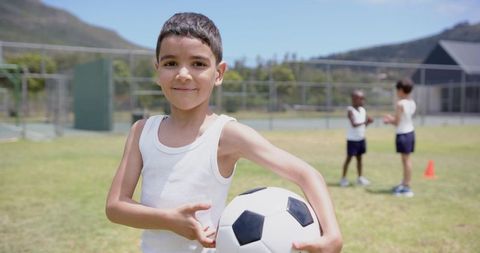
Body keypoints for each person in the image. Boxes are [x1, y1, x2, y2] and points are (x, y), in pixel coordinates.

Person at [105, 12, 342, 253]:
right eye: (170, 63)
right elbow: (115, 206)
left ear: (218, 73)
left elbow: (307, 174)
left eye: (198, 63)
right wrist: (169, 220)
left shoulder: (226, 135)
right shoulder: (142, 131)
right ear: (157, 71)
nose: (183, 74)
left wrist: (332, 233)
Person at [383, 78, 416, 197]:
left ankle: (407, 187)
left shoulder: (400, 104)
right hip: (410, 133)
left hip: (403, 134)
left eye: (397, 90)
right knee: (406, 160)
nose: (397, 92)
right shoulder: (412, 102)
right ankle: (404, 183)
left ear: (401, 90)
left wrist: (388, 119)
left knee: (406, 160)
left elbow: (397, 122)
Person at [340, 90, 373, 187]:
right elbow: (354, 124)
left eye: (363, 98)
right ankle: (343, 178)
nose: (363, 100)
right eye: (361, 98)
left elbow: (362, 126)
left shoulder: (363, 110)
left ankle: (360, 178)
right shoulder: (350, 110)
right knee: (349, 159)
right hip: (352, 140)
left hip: (361, 138)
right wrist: (365, 122)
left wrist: (368, 122)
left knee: (359, 159)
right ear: (354, 99)